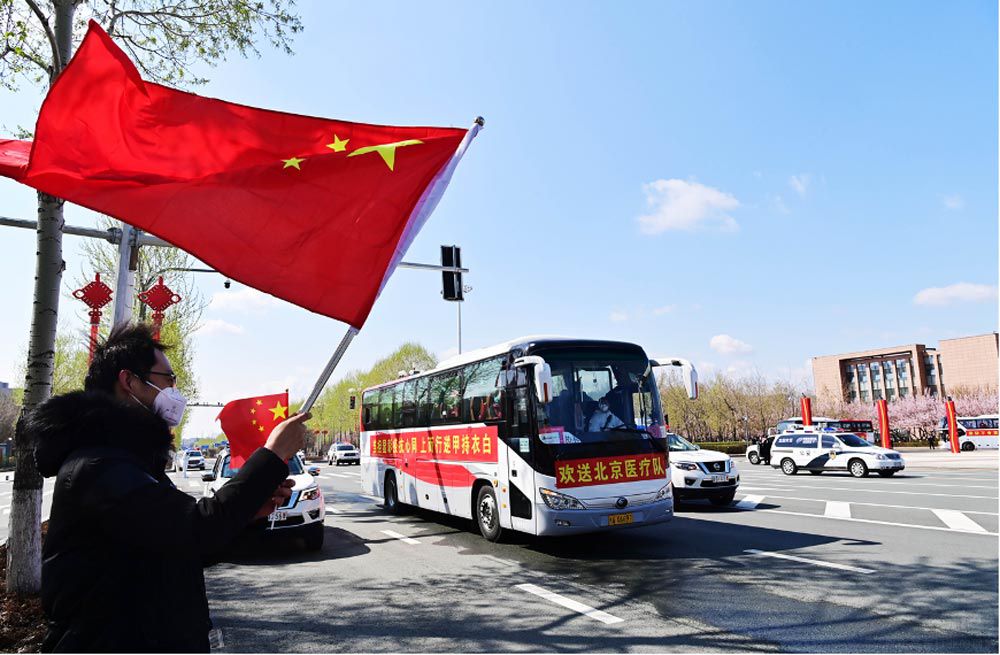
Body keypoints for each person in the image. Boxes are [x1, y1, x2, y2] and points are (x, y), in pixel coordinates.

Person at [29, 323, 308, 653]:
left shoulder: (128, 461)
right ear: (129, 381)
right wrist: (273, 456)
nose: (176, 391)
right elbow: (197, 529)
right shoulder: (99, 466)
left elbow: (181, 548)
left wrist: (249, 516)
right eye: (168, 380)